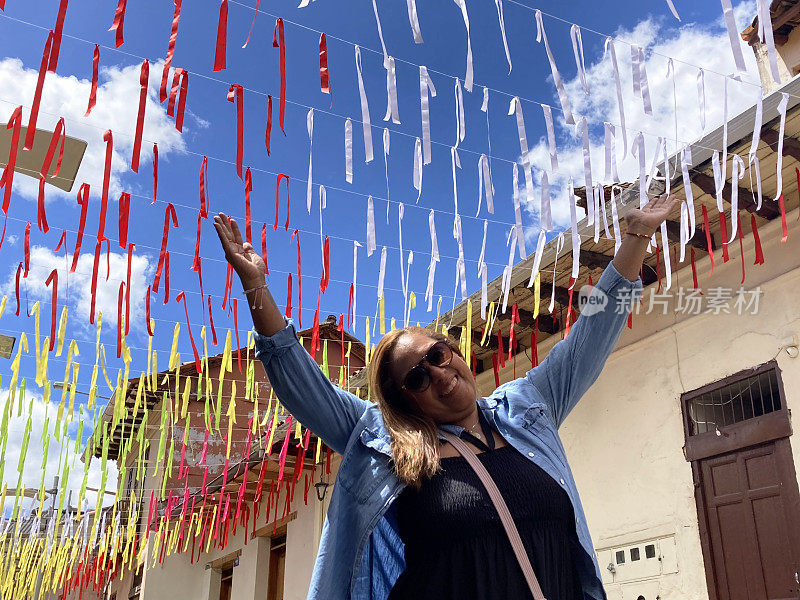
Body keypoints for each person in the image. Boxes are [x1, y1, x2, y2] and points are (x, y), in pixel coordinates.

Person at [213, 193, 678, 600]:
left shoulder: (527, 409)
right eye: (415, 377)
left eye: (438, 353)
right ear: (404, 400)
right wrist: (256, 288)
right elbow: (302, 384)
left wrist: (635, 239)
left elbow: (589, 337)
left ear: (454, 349)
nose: (437, 373)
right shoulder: (384, 442)